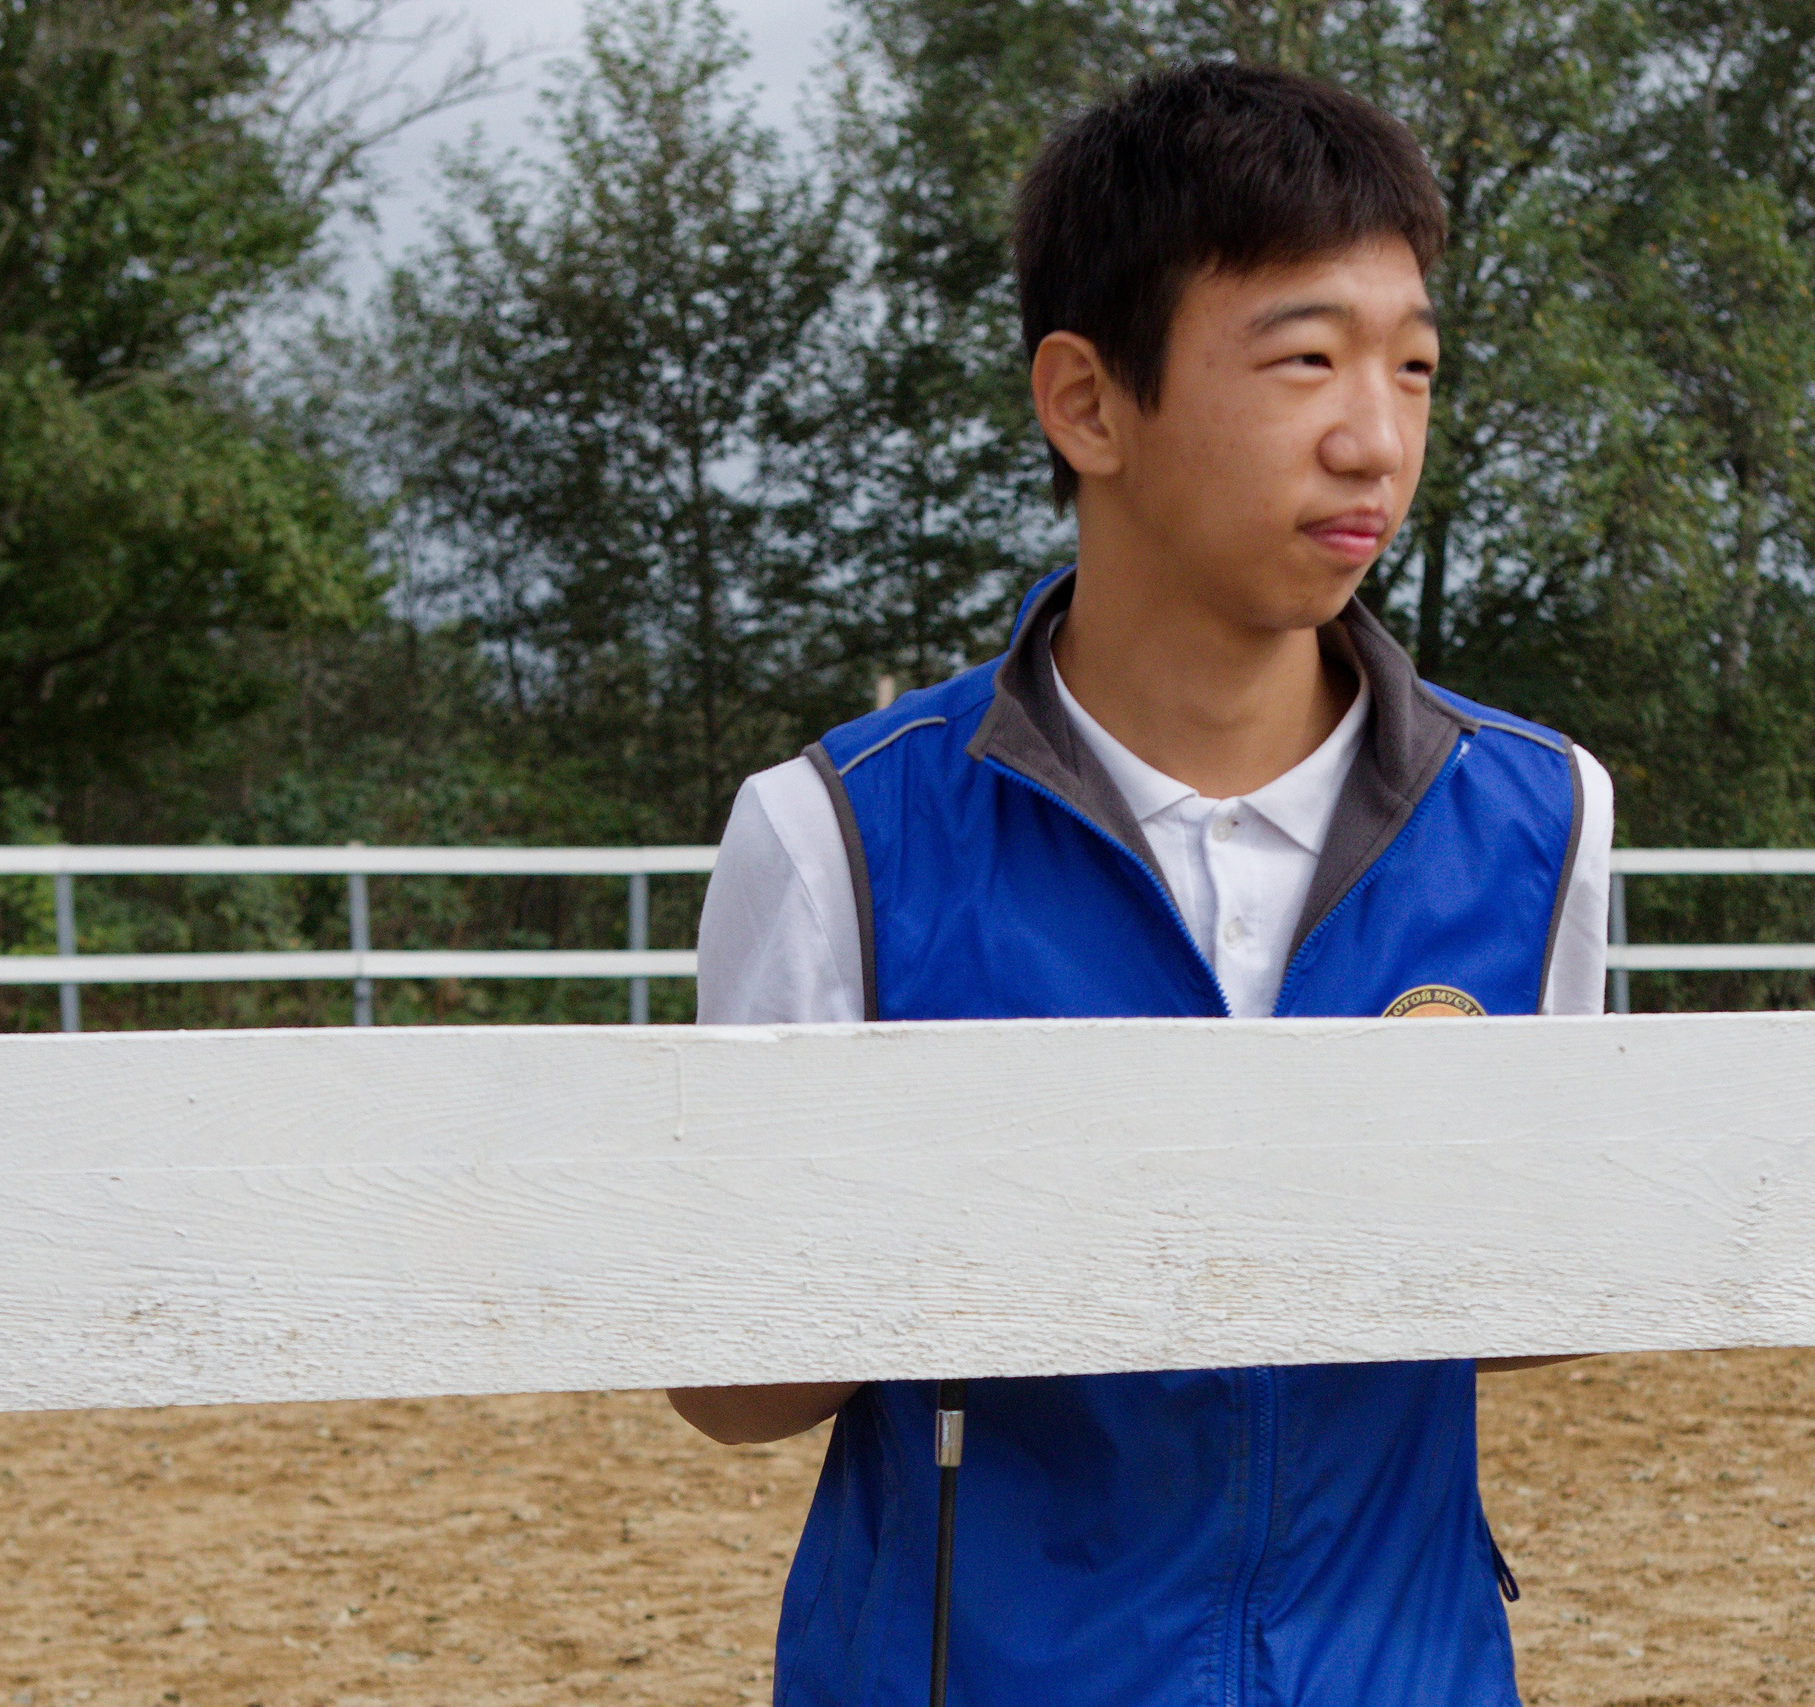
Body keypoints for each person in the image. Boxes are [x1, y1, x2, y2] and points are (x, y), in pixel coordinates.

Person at [671, 63, 1611, 1707]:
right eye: (1306, 357)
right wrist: (996, 1213)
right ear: (1088, 404)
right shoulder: (836, 833)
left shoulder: (1541, 815)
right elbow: (729, 1383)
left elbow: (1554, 1292)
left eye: (1413, 365)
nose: (1375, 437)